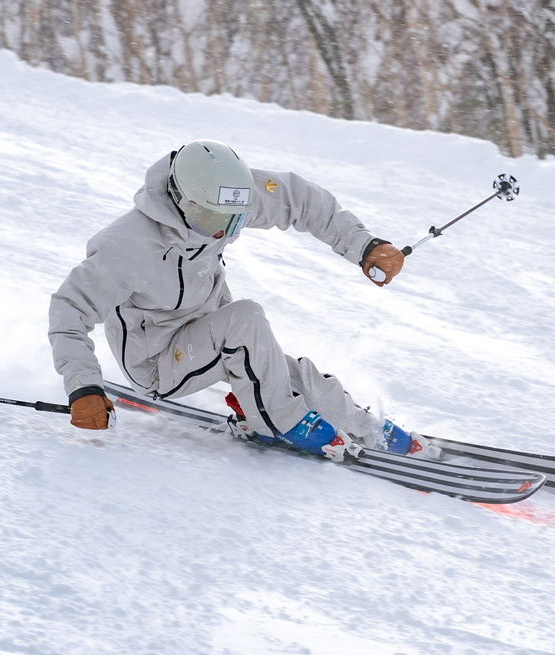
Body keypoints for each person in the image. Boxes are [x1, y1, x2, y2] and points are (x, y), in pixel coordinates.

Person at [48, 140, 433, 460]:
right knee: (247, 322)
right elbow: (69, 310)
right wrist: (82, 386)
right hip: (157, 363)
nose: (224, 231)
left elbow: (301, 201)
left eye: (235, 220)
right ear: (183, 202)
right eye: (215, 220)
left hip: (211, 331)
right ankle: (276, 423)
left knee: (291, 375)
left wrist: (364, 244)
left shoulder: (225, 201)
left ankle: (365, 428)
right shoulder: (127, 245)